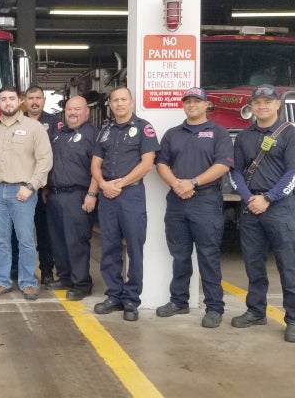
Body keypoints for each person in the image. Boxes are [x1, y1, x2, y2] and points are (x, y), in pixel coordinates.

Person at [155, 87, 233, 328]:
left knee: (208, 256)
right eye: (188, 101)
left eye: (197, 101)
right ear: (183, 105)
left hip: (206, 201)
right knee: (179, 255)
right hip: (177, 201)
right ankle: (179, 301)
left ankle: (214, 307)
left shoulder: (218, 133)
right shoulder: (172, 134)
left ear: (206, 105)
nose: (192, 105)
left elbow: (223, 165)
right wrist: (177, 184)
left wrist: (193, 182)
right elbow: (161, 163)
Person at [229, 84, 295, 343]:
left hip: (279, 207)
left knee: (288, 265)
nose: (262, 106)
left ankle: (292, 319)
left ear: (278, 104)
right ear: (252, 106)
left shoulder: (290, 134)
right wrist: (249, 198)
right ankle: (256, 311)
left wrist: (268, 198)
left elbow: (293, 173)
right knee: (253, 263)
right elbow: (235, 171)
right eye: (257, 102)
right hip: (250, 207)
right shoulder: (244, 137)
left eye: (268, 102)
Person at [91, 85, 159, 321]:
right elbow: (95, 164)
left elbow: (147, 163)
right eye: (115, 100)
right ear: (110, 104)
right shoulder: (105, 131)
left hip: (130, 195)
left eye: (123, 99)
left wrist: (120, 184)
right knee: (109, 246)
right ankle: (113, 295)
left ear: (131, 102)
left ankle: (131, 300)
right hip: (107, 195)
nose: (119, 104)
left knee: (134, 248)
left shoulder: (144, 128)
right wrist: (103, 184)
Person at [0, 86, 53, 300]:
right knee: (0, 239)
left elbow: (45, 160)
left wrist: (31, 186)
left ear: (18, 101)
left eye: (11, 98)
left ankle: (28, 282)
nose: (8, 102)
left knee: (25, 239)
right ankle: (2, 281)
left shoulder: (34, 128)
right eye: (3, 99)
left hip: (23, 191)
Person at [43, 96, 99, 300]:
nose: (72, 113)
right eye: (69, 110)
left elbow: (98, 168)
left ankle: (82, 283)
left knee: (77, 241)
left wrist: (92, 193)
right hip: (55, 195)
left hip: (78, 195)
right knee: (58, 241)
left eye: (77, 109)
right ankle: (66, 277)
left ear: (87, 112)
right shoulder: (59, 134)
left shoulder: (93, 134)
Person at [24, 85, 59, 284]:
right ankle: (18, 270)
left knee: (45, 232)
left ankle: (46, 270)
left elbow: (56, 155)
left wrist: (46, 185)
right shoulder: (17, 120)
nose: (34, 101)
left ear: (44, 101)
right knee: (22, 233)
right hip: (21, 187)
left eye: (38, 98)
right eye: (31, 98)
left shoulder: (54, 122)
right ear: (25, 101)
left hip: (44, 188)